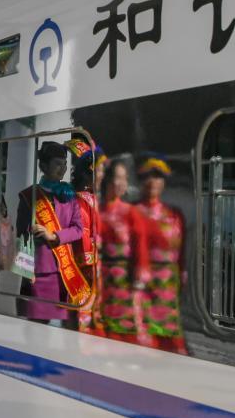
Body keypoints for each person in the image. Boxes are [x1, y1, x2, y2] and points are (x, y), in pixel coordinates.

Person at [17, 141, 88, 324]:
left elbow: (78, 229)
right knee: (36, 327)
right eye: (57, 163)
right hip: (39, 273)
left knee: (58, 330)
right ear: (43, 165)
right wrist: (25, 272)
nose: (62, 168)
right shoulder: (29, 196)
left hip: (65, 273)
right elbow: (21, 237)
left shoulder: (69, 196)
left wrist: (55, 236)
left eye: (64, 164)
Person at [135, 155, 187, 354]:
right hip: (141, 287)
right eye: (148, 176)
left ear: (164, 182)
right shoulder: (133, 212)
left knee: (169, 343)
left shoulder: (174, 215)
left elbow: (181, 251)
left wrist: (182, 275)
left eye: (158, 176)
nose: (153, 181)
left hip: (167, 288)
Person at [98, 159, 149, 343]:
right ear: (107, 180)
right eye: (118, 178)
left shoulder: (130, 212)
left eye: (124, 178)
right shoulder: (96, 210)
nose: (122, 183)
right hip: (100, 281)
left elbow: (140, 246)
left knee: (127, 331)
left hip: (126, 281)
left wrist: (139, 279)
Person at [65, 139, 105, 335]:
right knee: (85, 312)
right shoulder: (81, 199)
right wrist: (91, 263)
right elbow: (84, 234)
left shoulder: (97, 199)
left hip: (99, 266)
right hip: (88, 268)